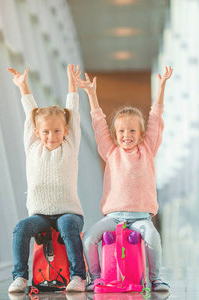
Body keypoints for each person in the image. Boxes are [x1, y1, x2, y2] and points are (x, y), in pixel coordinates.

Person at [75, 67, 173, 293]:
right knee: (89, 238)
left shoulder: (147, 149)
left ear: (140, 135)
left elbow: (155, 120)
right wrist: (91, 95)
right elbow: (99, 125)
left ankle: (155, 278)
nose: (126, 135)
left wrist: (161, 89)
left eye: (131, 131)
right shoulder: (110, 152)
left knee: (152, 238)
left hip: (140, 217)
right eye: (121, 131)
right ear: (115, 134)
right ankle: (96, 278)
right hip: (114, 217)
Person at [7, 65, 87, 293]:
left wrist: (72, 83)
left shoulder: (70, 146)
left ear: (65, 131)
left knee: (66, 224)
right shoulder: (32, 146)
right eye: (46, 132)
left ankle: (78, 277)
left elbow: (72, 110)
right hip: (40, 214)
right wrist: (23, 86)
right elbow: (30, 113)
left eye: (57, 131)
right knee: (21, 228)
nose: (51, 136)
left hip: (69, 212)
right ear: (36, 133)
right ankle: (20, 277)